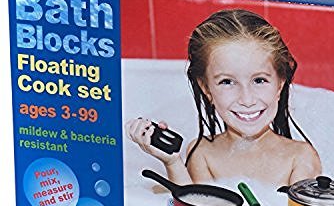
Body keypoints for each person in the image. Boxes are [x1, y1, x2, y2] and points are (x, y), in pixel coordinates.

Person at [125, 9, 321, 186]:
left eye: (259, 80)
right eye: (227, 82)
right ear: (206, 89)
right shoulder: (203, 153)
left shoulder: (300, 157)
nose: (247, 99)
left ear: (280, 84)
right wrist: (172, 162)